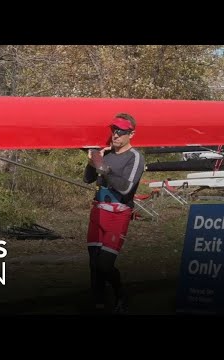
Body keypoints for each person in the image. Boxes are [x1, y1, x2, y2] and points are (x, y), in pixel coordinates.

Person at [83, 113, 145, 314]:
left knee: (105, 264)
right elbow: (87, 179)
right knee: (94, 263)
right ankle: (98, 303)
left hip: (118, 214)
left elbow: (126, 188)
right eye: (113, 130)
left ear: (131, 134)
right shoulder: (107, 154)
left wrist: (105, 169)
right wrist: (94, 159)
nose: (115, 135)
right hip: (98, 211)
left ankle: (121, 294)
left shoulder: (135, 157)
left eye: (121, 132)